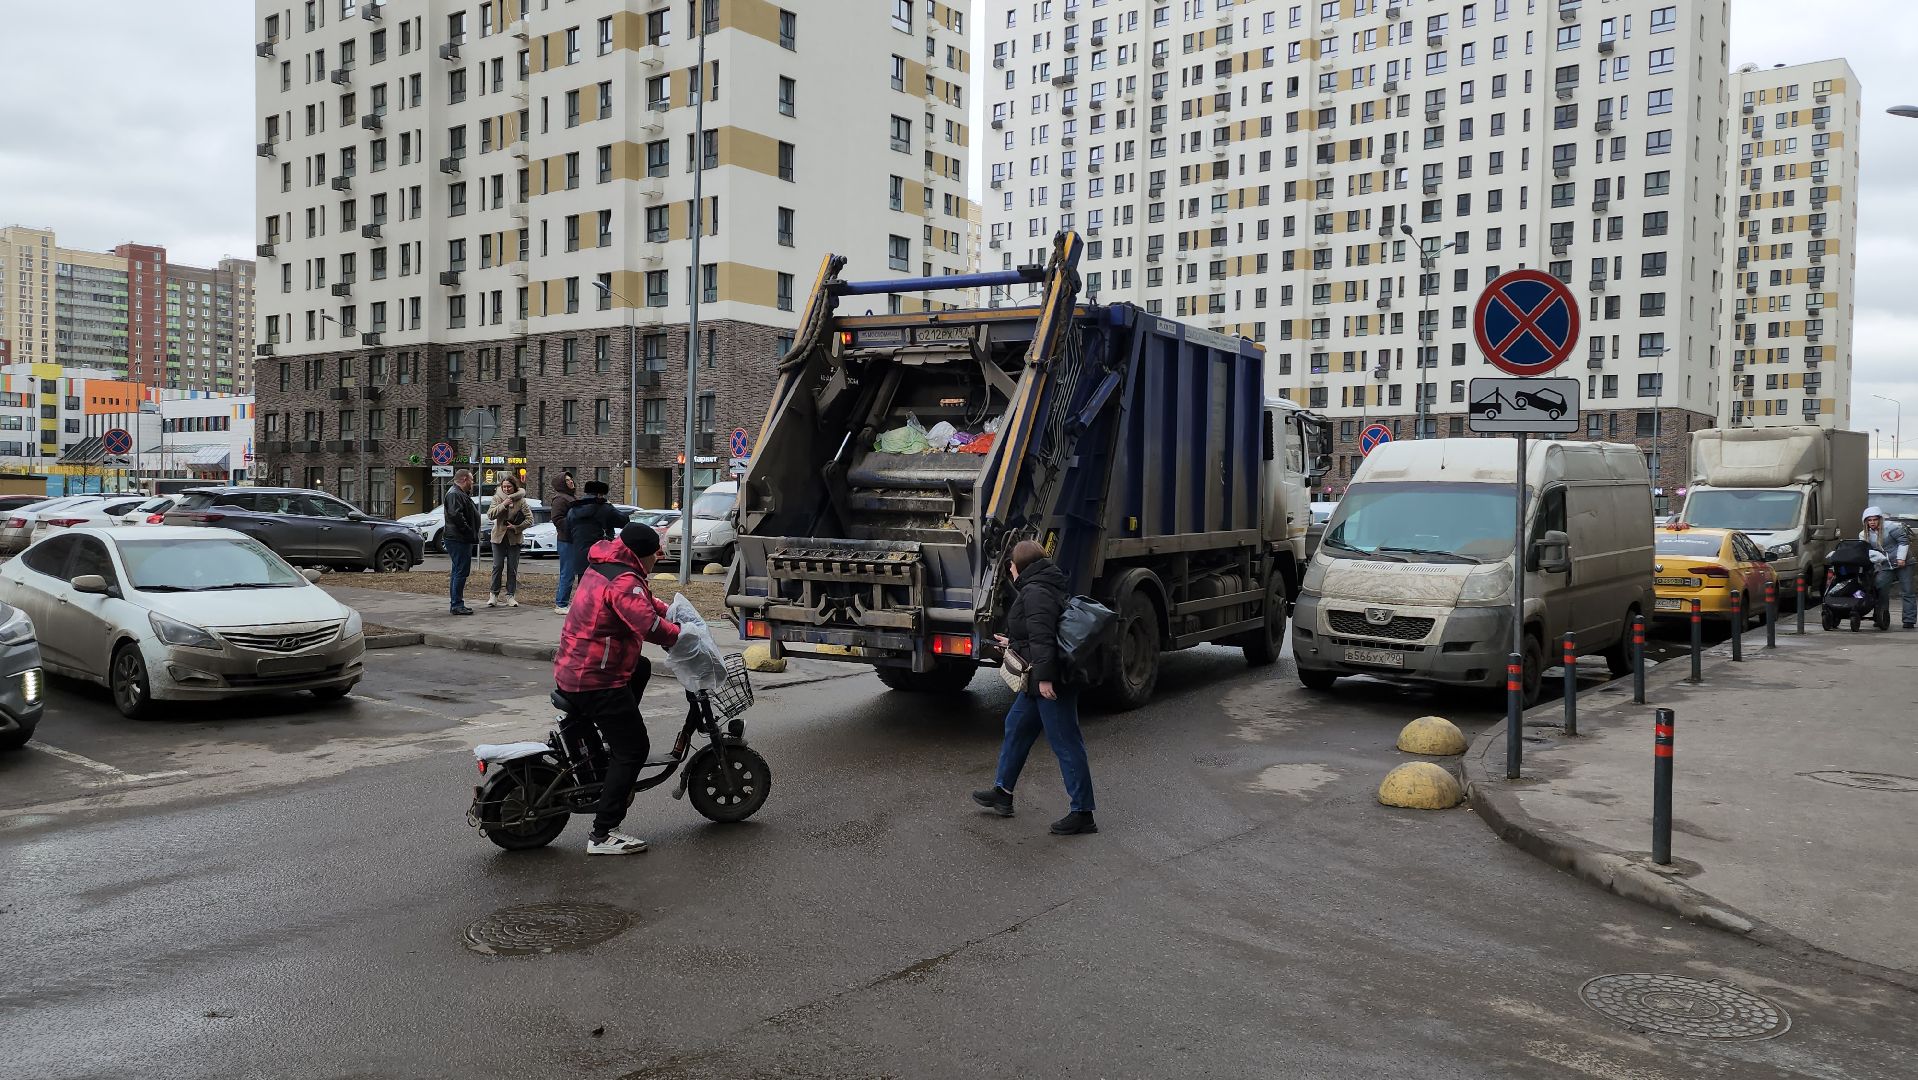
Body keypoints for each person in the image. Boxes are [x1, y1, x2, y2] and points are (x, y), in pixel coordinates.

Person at [553, 523, 681, 855]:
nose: (659, 558)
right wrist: (680, 635)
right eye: (657, 553)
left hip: (578, 667)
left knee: (641, 667)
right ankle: (602, 834)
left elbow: (647, 602)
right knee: (635, 748)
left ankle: (610, 740)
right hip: (595, 678)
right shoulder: (625, 580)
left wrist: (673, 612)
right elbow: (648, 625)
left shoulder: (609, 566)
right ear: (646, 555)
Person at [972, 540, 1097, 835]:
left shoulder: (1035, 591)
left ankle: (1083, 813)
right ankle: (1003, 793)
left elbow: (1043, 639)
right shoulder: (1043, 585)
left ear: (1020, 566)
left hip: (1051, 680)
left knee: (1065, 742)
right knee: (1016, 725)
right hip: (1039, 675)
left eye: (1011, 564)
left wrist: (1044, 679)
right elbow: (1039, 633)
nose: (1010, 569)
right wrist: (1012, 642)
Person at [1860, 506, 1914, 630]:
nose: (1872, 522)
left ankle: (1909, 620)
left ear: (1880, 519)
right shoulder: (1864, 534)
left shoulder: (1891, 527)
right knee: (1880, 588)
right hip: (1885, 564)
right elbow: (1866, 550)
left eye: (1875, 519)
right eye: (1869, 520)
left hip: (1904, 563)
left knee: (1907, 591)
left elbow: (1903, 541)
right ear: (1865, 522)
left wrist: (1901, 558)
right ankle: (1881, 616)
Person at [486, 475, 531, 607]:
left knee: (512, 568)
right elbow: (490, 515)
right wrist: (503, 505)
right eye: (504, 486)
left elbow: (529, 519)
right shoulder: (497, 498)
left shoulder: (521, 501)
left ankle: (510, 595)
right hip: (498, 538)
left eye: (509, 486)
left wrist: (516, 527)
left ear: (514, 487)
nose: (506, 489)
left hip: (514, 539)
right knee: (497, 566)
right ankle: (493, 595)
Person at [442, 470, 482, 616]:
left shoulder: (458, 493)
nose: (473, 483)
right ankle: (457, 604)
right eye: (472, 480)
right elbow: (456, 515)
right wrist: (468, 531)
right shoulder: (455, 494)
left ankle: (457, 603)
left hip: (459, 537)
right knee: (461, 571)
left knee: (458, 570)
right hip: (458, 538)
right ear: (464, 479)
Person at [567, 479, 631, 552]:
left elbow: (567, 532)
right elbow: (624, 521)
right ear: (600, 495)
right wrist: (609, 505)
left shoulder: (573, 509)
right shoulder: (605, 509)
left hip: (577, 554)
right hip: (600, 554)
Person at [549, 472, 580, 614]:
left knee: (574, 572)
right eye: (567, 480)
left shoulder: (570, 497)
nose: (571, 481)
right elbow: (557, 519)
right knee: (567, 573)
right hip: (567, 540)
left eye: (571, 479)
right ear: (561, 483)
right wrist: (575, 525)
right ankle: (561, 604)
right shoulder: (560, 499)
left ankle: (575, 603)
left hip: (575, 540)